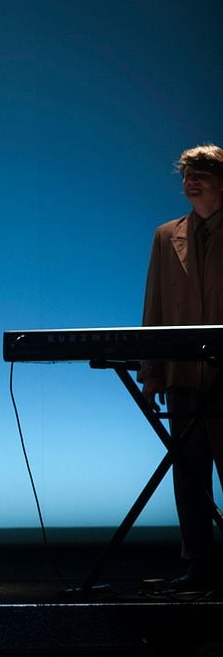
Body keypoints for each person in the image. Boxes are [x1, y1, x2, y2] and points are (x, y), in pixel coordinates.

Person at [139, 143, 223, 591]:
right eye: (187, 174)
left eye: (202, 173)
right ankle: (200, 565)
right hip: (183, 374)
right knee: (189, 474)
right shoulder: (166, 234)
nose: (191, 180)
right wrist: (152, 372)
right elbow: (154, 306)